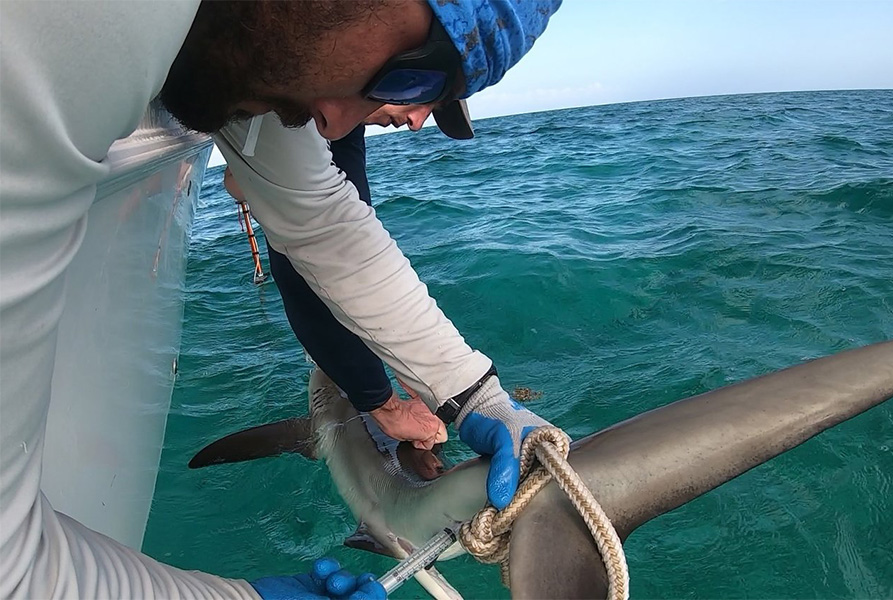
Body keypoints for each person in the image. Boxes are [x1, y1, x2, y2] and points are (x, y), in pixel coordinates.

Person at [0, 1, 561, 598]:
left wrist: (477, 398)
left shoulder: (269, 46)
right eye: (414, 79)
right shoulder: (72, 36)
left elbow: (321, 223)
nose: (343, 129)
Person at [223, 103, 458, 450]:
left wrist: (414, 368)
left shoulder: (346, 127)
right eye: (422, 94)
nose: (416, 123)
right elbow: (315, 269)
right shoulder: (294, 105)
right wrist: (385, 406)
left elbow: (346, 253)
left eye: (432, 111)